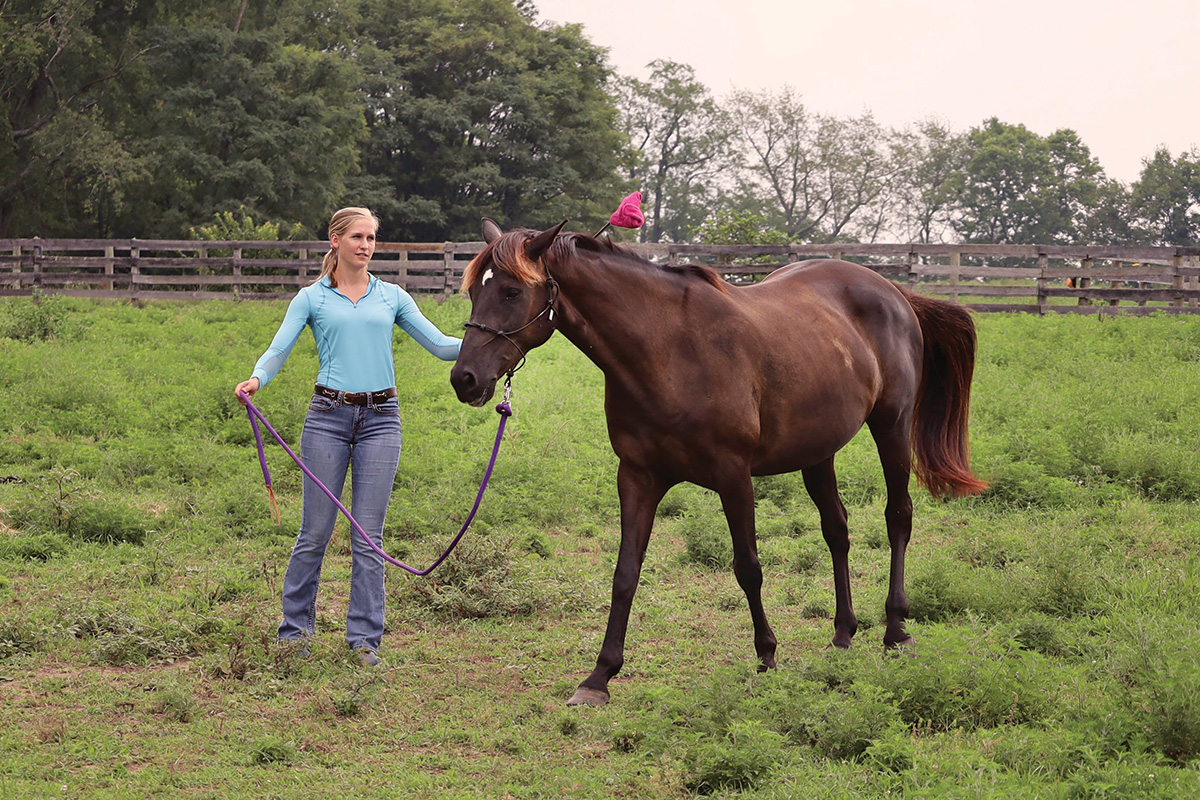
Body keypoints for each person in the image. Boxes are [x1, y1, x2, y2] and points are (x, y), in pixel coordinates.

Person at [235, 207, 461, 667]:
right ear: (335, 241)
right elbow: (279, 349)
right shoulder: (312, 298)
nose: (366, 245)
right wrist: (257, 379)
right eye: (357, 236)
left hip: (382, 419)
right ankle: (294, 632)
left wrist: (498, 338)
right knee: (314, 533)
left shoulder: (392, 296)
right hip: (327, 419)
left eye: (372, 237)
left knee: (368, 537)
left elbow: (439, 345)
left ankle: (363, 642)